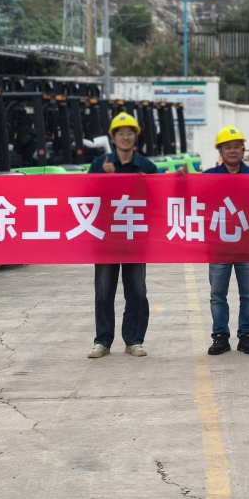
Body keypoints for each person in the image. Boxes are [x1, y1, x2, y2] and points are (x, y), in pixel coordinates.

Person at [88, 111, 158, 358]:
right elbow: (85, 196)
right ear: (113, 137)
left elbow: (160, 199)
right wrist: (103, 178)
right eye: (121, 133)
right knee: (103, 292)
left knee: (137, 292)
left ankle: (134, 340)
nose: (125, 137)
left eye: (130, 133)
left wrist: (151, 184)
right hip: (106, 239)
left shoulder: (146, 167)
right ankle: (103, 341)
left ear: (135, 137)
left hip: (135, 239)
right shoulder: (100, 164)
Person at [203, 125, 249, 355]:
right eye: (228, 147)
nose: (233, 150)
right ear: (220, 150)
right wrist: (181, 180)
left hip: (248, 247)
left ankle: (246, 336)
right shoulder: (207, 177)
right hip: (219, 248)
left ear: (243, 150)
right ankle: (220, 337)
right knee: (218, 296)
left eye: (237, 146)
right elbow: (187, 197)